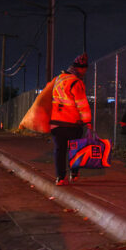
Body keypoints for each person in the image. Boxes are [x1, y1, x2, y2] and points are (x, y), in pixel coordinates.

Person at [49, 53, 92, 185]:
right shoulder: (76, 82)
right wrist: (88, 121)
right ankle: (74, 173)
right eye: (85, 69)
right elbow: (82, 104)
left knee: (59, 150)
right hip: (72, 124)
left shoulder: (59, 79)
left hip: (56, 122)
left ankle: (60, 178)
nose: (85, 72)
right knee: (75, 149)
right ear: (80, 68)